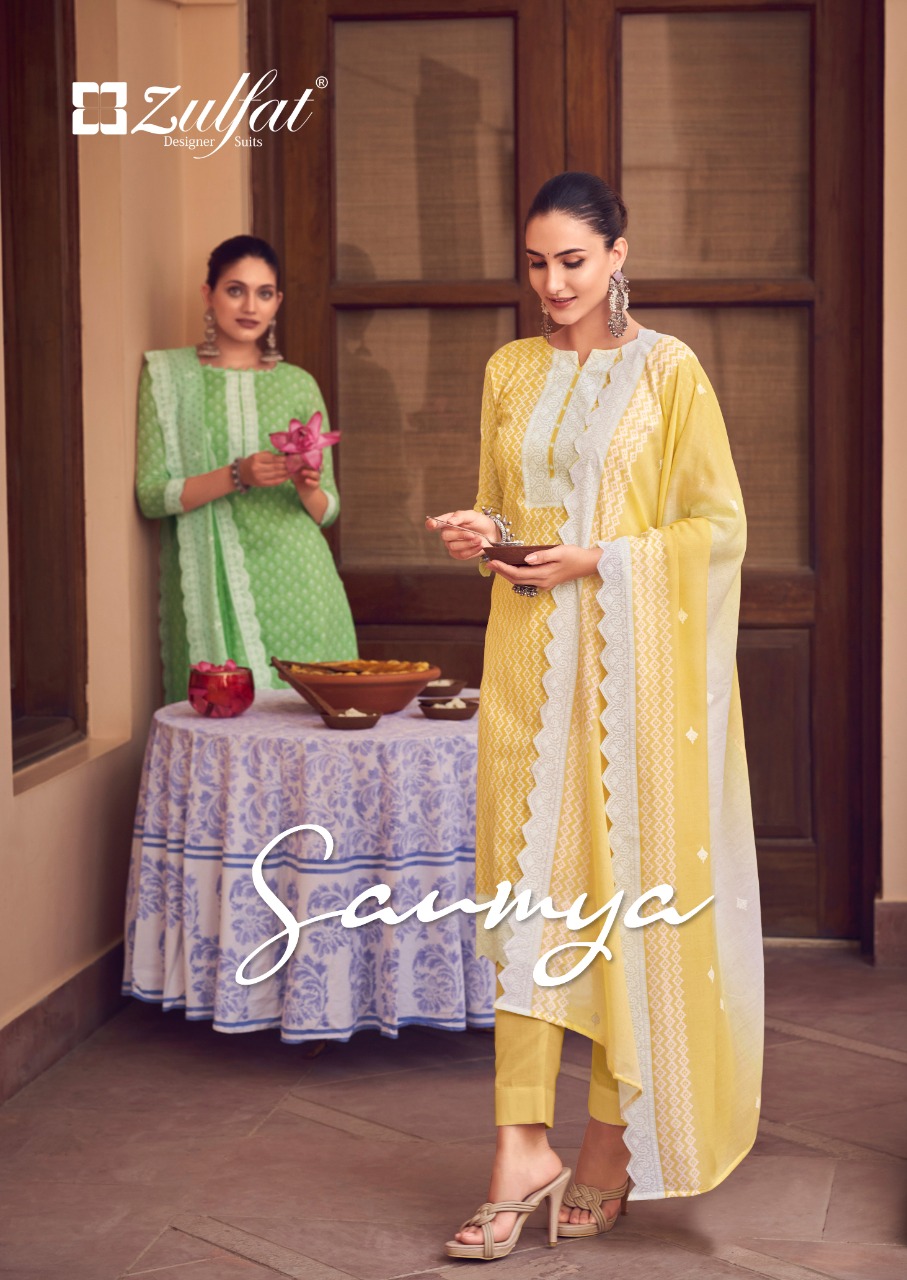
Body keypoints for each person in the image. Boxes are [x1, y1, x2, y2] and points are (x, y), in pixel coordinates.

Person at [428, 172, 763, 1261]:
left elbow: (717, 528)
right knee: (526, 908)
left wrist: (601, 560)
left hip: (632, 694)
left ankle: (609, 1145)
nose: (553, 282)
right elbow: (504, 506)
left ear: (618, 254)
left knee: (622, 908)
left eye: (572, 260)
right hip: (529, 676)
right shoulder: (508, 370)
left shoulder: (670, 373)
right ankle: (518, 1148)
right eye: (536, 263)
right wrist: (482, 534)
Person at [136, 234, 357, 704]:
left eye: (264, 293)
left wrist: (307, 486)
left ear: (277, 302)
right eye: (235, 290)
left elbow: (328, 510)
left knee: (308, 725)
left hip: (300, 586)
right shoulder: (170, 377)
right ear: (208, 294)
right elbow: (152, 496)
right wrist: (238, 475)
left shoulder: (297, 384)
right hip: (214, 592)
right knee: (225, 721)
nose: (250, 306)